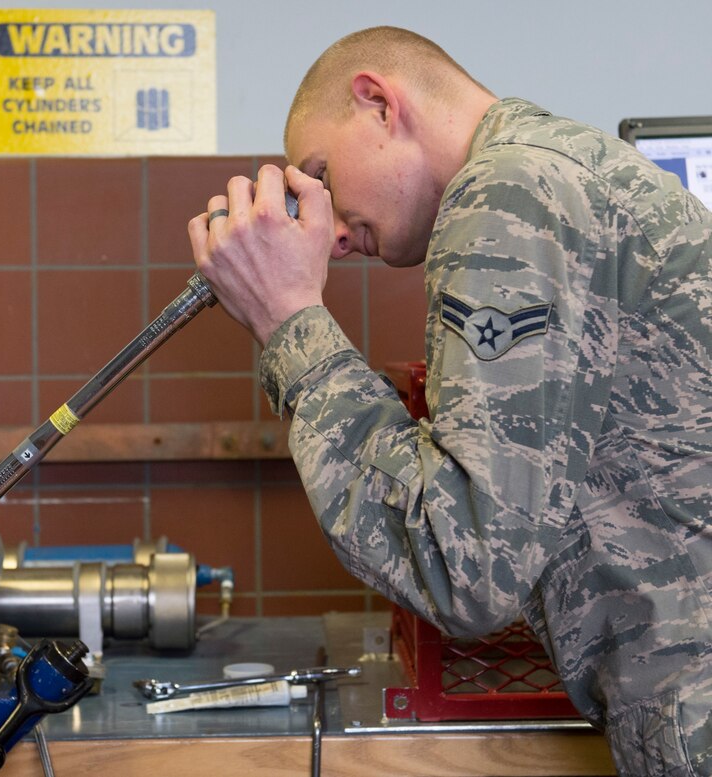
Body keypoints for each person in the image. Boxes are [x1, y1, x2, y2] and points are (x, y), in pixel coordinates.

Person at [189, 25, 712, 777]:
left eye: (324, 177)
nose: (331, 233)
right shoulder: (563, 165)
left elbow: (466, 564)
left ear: (377, 103)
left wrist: (288, 325)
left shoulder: (507, 192)